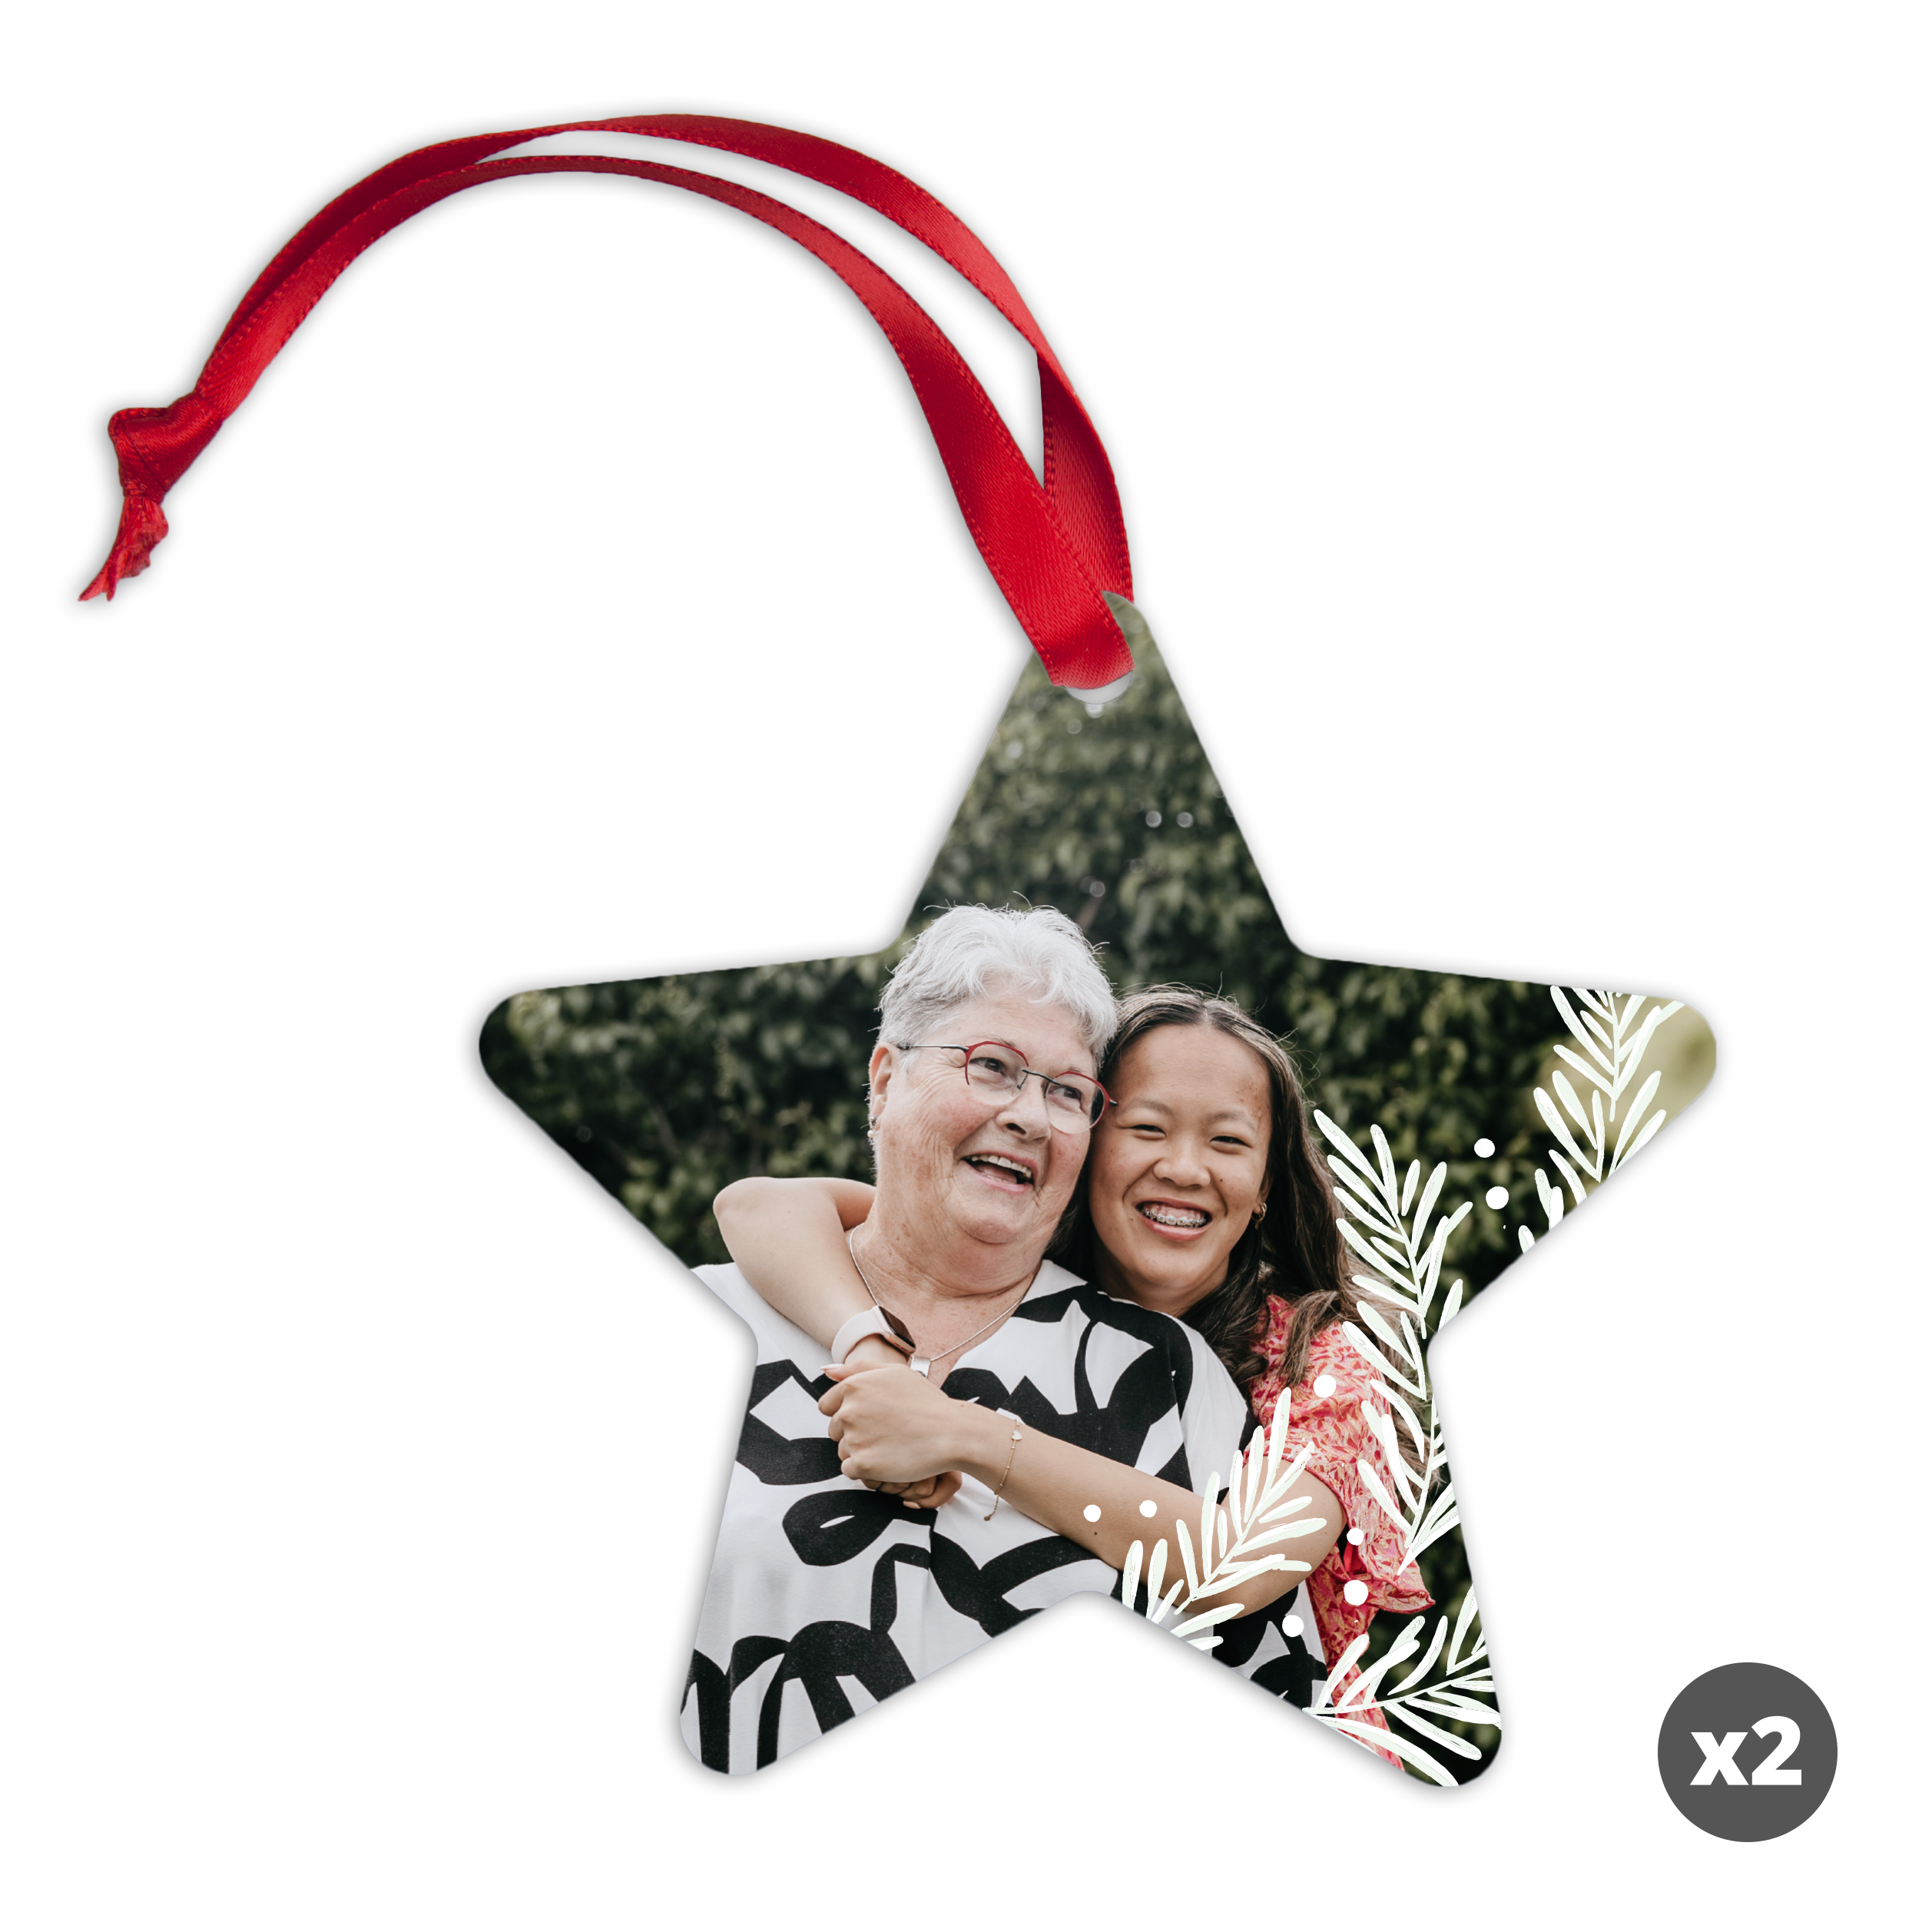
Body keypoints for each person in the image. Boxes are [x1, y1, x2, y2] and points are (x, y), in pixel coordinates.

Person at [682, 908, 1327, 1775]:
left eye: (1066, 1092)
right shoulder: (729, 1306)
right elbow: (757, 1202)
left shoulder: (1172, 1376)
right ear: (884, 1078)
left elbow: (1267, 1661)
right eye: (992, 1067)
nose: (1029, 1114)